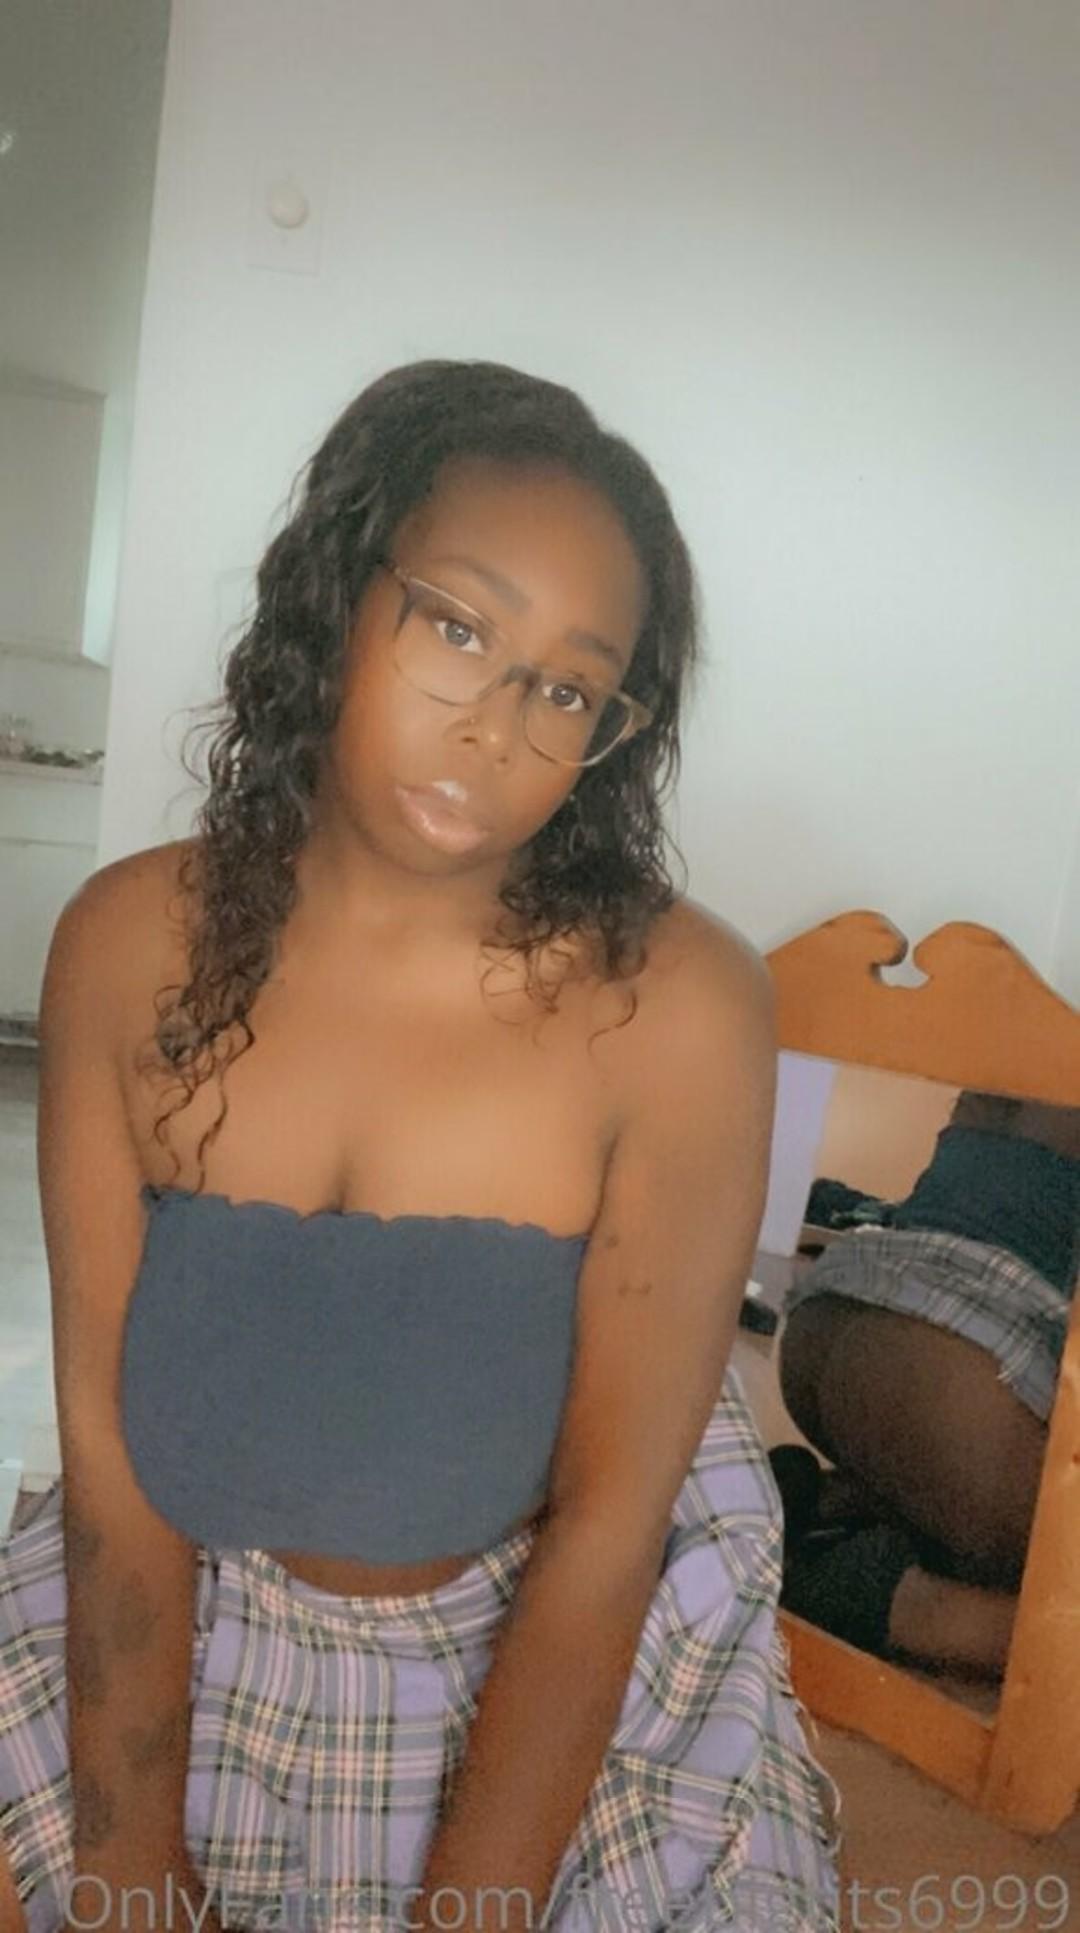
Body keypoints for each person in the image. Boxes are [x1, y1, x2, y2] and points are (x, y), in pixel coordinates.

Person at [0, 359, 839, 1932]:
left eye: (568, 689)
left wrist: (474, 1913)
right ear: (336, 591)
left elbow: (609, 1531)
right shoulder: (122, 945)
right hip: (185, 1617)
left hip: (551, 1661)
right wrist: (126, 1863)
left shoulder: (680, 1009)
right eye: (456, 626)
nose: (497, 726)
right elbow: (108, 1460)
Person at [772, 1089, 1080, 1678]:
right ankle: (911, 1608)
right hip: (956, 1387)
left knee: (956, 1472)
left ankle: (836, 1508)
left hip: (827, 1326)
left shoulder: (1035, 1034)